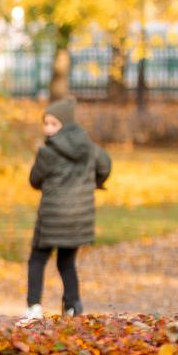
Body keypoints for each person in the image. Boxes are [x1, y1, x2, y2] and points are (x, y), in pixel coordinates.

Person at [23, 96, 112, 321]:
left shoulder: (48, 152)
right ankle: (73, 306)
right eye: (46, 123)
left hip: (53, 217)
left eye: (53, 124)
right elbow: (105, 165)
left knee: (37, 259)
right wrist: (96, 181)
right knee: (66, 262)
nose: (48, 128)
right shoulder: (89, 147)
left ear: (65, 124)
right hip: (78, 218)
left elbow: (34, 180)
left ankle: (34, 306)